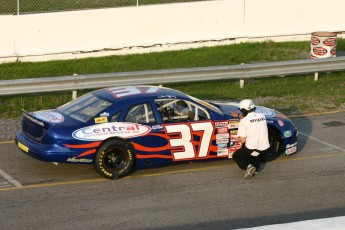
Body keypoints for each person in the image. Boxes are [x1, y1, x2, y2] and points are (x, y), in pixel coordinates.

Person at [232, 99, 270, 179]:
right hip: (265, 149)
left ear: (243, 110)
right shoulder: (262, 115)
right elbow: (251, 119)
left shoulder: (243, 122)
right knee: (254, 157)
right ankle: (255, 168)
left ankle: (249, 167)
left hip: (252, 148)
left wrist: (236, 138)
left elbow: (243, 140)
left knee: (236, 156)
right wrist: (238, 116)